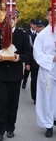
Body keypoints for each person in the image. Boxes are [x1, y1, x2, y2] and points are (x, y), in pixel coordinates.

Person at [0, 11, 30, 141]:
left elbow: (28, 55)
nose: (11, 20)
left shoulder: (23, 35)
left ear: (17, 19)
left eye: (14, 18)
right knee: (2, 102)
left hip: (15, 75)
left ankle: (10, 128)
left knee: (13, 103)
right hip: (1, 75)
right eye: (9, 18)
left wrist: (19, 57)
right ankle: (0, 131)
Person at [33, 7, 56, 138]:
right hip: (48, 70)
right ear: (47, 17)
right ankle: (48, 124)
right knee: (47, 97)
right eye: (52, 15)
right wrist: (52, 58)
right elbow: (37, 54)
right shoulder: (42, 35)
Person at [22, 19, 37, 89]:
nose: (35, 26)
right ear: (30, 25)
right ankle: (24, 81)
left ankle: (34, 95)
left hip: (35, 58)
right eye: (33, 24)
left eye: (36, 25)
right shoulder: (26, 33)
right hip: (28, 56)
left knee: (34, 76)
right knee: (27, 72)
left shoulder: (38, 34)